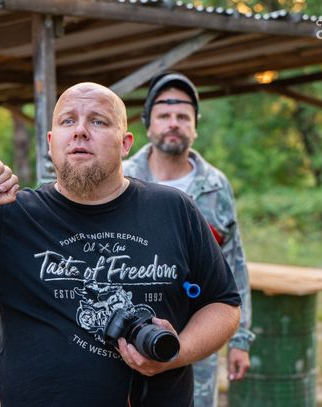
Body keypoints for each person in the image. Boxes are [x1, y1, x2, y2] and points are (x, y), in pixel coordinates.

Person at [0, 82, 241, 407]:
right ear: (51, 142)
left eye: (98, 121)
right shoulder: (11, 215)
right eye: (68, 121)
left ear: (125, 143)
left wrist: (177, 353)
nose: (80, 130)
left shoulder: (174, 209)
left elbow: (223, 304)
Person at [123, 73, 255, 406]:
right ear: (148, 125)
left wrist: (240, 339)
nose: (173, 123)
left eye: (183, 116)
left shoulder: (215, 186)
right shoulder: (121, 178)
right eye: (164, 115)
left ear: (195, 127)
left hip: (199, 338)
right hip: (127, 338)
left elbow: (234, 264)